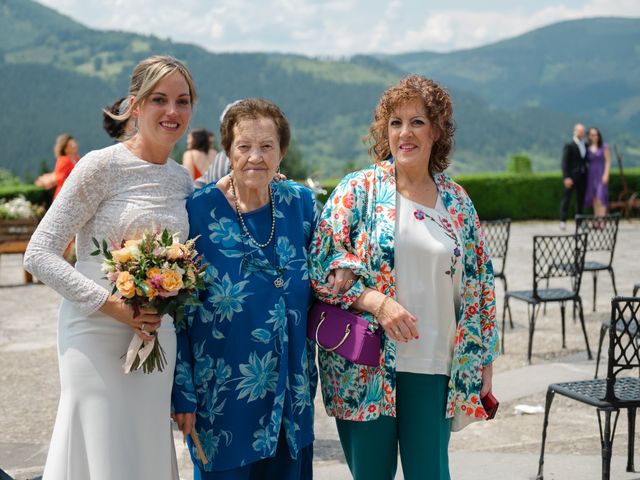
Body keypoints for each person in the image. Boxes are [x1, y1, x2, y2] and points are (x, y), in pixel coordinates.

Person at [308, 75, 499, 480]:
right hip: (365, 366)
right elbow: (322, 261)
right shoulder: (358, 190)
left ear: (437, 131)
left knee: (431, 473)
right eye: (395, 122)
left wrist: (483, 359)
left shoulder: (458, 202)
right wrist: (377, 302)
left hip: (435, 364)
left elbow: (481, 282)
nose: (405, 133)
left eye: (417, 121)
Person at [24, 55, 197, 480]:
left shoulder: (182, 180)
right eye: (159, 99)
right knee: (100, 440)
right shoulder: (99, 166)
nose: (172, 111)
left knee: (144, 440)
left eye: (182, 100)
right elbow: (40, 253)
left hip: (157, 333)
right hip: (94, 330)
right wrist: (113, 306)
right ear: (136, 106)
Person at [172, 98, 317, 480]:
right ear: (228, 151)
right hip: (221, 405)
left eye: (267, 146)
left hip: (292, 401)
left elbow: (331, 268)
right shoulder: (197, 213)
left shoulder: (301, 205)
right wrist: (182, 391)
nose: (256, 157)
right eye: (244, 146)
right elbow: (179, 312)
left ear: (281, 152)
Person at [560, 123, 588, 229]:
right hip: (571, 177)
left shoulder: (585, 145)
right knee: (567, 199)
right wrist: (566, 177)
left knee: (580, 200)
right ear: (574, 131)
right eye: (579, 131)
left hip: (582, 177)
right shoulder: (569, 145)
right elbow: (564, 163)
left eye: (583, 131)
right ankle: (563, 220)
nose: (581, 133)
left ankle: (579, 221)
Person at [584, 127, 611, 217]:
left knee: (601, 196)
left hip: (601, 173)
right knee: (594, 198)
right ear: (589, 136)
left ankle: (602, 219)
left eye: (596, 135)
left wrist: (606, 174)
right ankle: (597, 218)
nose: (595, 137)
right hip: (591, 175)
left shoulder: (604, 147)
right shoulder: (587, 148)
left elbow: (608, 161)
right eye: (592, 135)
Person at [52, 134, 80, 199]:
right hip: (64, 194)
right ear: (65, 149)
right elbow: (60, 179)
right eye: (71, 144)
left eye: (74, 143)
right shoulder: (63, 160)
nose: (74, 146)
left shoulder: (77, 158)